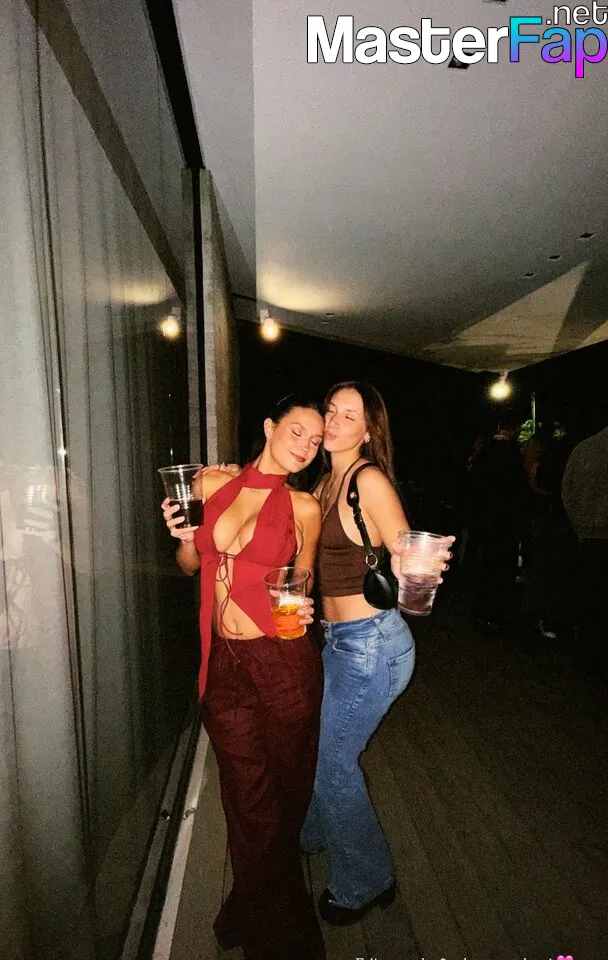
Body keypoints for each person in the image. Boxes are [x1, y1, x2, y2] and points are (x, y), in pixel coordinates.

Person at [161, 395, 326, 960]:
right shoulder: (211, 483)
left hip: (283, 662)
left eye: (316, 440)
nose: (306, 446)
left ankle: (248, 907)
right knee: (248, 801)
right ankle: (282, 936)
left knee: (286, 794)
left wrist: (303, 603)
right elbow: (190, 566)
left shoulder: (304, 506)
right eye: (298, 431)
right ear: (269, 426)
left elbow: (304, 578)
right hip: (224, 665)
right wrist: (183, 538)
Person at [302, 381, 452, 926]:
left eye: (350, 415)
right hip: (339, 641)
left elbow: (404, 547)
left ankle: (368, 881)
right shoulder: (324, 481)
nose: (335, 421)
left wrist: (420, 565)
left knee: (333, 764)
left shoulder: (367, 480)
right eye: (331, 410)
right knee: (320, 749)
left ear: (368, 431)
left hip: (371, 646)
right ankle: (314, 833)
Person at [466, 412, 531, 631]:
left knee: (487, 566)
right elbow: (519, 491)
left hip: (486, 521)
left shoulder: (486, 452)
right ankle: (494, 613)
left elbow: (474, 486)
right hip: (505, 523)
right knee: (502, 568)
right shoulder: (511, 455)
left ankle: (481, 610)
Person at [561, 423, 608, 672]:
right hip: (596, 534)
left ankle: (586, 652)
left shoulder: (585, 449)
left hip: (588, 536)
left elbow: (567, 489)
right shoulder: (587, 449)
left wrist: (579, 525)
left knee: (589, 596)